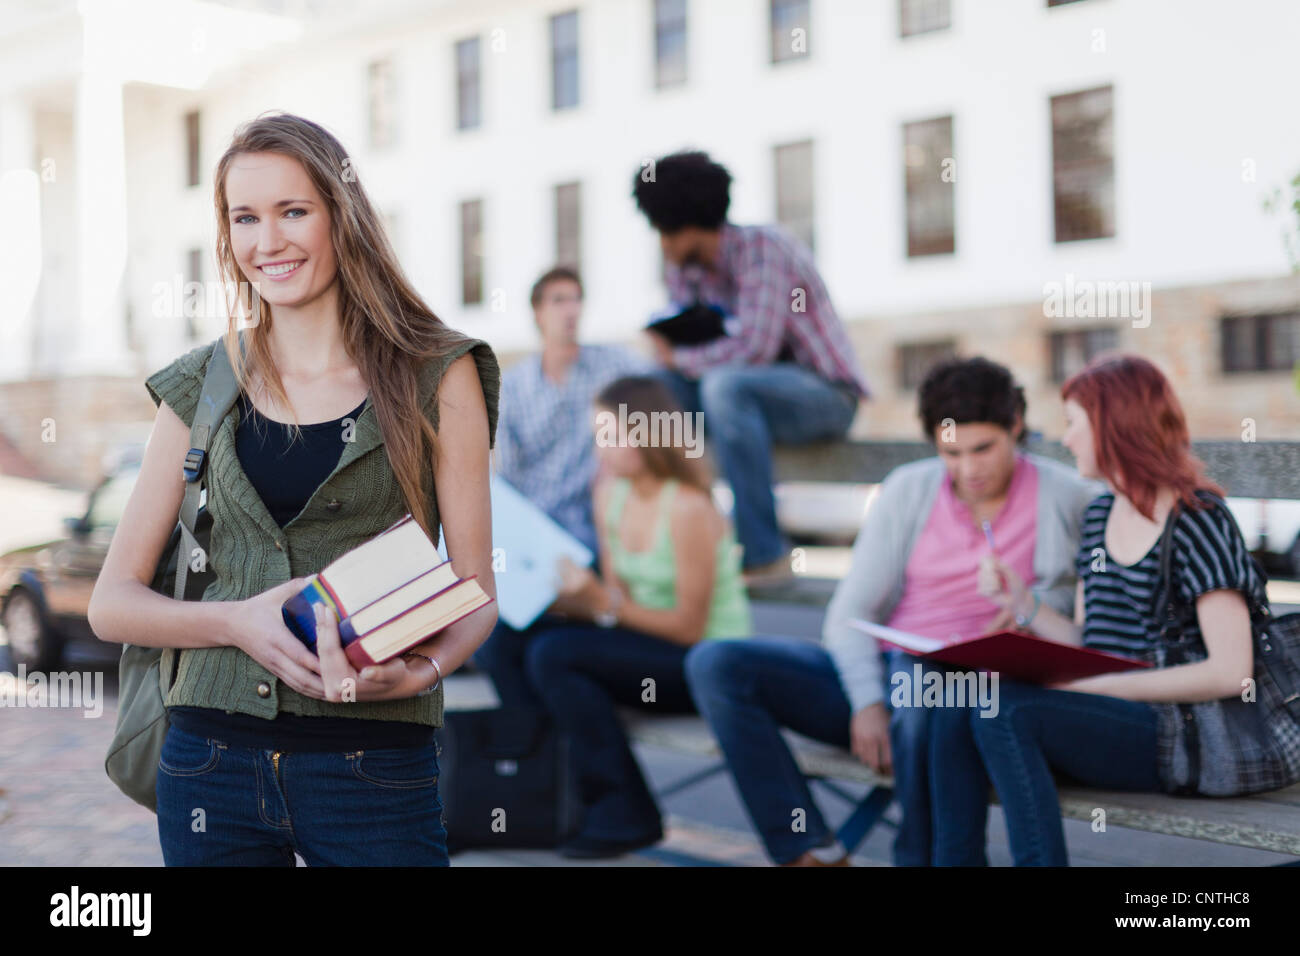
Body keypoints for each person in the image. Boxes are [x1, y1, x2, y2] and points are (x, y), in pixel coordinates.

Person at [87, 112, 500, 866]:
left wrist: (425, 669)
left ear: (342, 217)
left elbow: (476, 587)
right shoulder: (203, 383)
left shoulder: (440, 374)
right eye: (245, 217)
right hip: (209, 764)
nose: (267, 242)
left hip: (372, 765)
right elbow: (112, 604)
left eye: (293, 211)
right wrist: (239, 622)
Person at [685, 357, 1100, 866]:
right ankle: (808, 851)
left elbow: (1092, 615)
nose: (968, 469)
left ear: (1016, 426)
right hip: (885, 679)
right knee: (718, 663)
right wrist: (866, 701)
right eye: (951, 452)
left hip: (977, 700)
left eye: (983, 448)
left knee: (932, 691)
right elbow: (850, 613)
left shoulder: (1066, 496)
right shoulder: (909, 489)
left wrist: (1031, 615)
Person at [928, 354, 1279, 866]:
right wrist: (1021, 603)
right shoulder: (1098, 515)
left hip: (1185, 732)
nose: (1065, 439)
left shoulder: (1197, 517)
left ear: (1115, 426)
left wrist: (1096, 687)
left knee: (1002, 710)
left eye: (1074, 423)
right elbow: (1092, 644)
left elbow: (1230, 671)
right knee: (958, 701)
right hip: (1119, 718)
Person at [519, 375, 751, 858]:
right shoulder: (610, 493)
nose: (599, 447)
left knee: (557, 654)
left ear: (649, 433)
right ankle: (546, 795)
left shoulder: (688, 507)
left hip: (707, 662)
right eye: (596, 433)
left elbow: (689, 628)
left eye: (611, 433)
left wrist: (600, 604)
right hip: (648, 647)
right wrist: (575, 601)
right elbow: (616, 605)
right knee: (515, 636)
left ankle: (624, 812)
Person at [631, 150, 871, 582]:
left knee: (725, 386)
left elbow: (754, 349)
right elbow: (686, 352)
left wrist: (679, 356)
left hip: (825, 395)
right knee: (652, 389)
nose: (661, 243)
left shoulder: (764, 248)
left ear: (690, 223)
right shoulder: (685, 269)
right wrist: (666, 346)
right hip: (739, 402)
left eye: (665, 231)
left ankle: (764, 554)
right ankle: (676, 542)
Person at [474, 266, 652, 706]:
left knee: (545, 648)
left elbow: (658, 385)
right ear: (538, 313)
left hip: (596, 531)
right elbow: (507, 484)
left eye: (575, 299)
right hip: (536, 538)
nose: (570, 311)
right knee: (491, 638)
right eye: (557, 300)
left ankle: (555, 736)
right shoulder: (513, 388)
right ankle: (530, 750)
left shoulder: (613, 366)